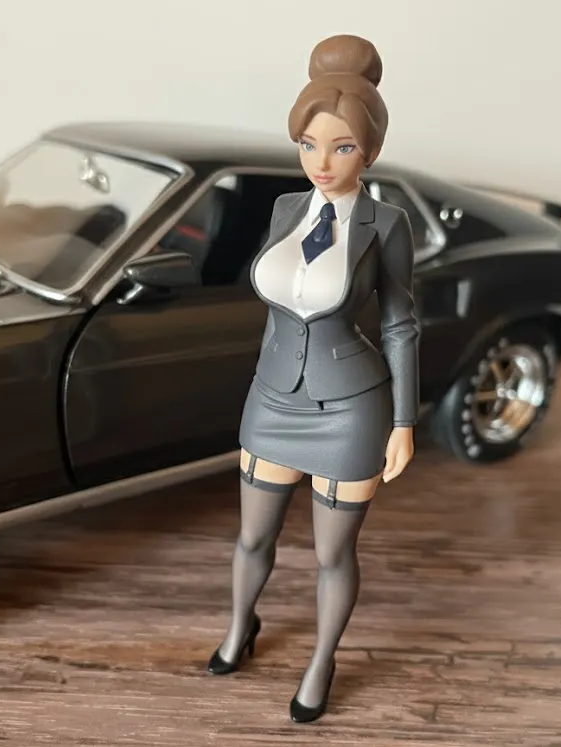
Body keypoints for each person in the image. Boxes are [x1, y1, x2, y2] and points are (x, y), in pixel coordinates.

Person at [206, 33, 420, 723]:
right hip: (271, 398)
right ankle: (240, 625)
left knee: (333, 552)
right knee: (252, 536)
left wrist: (404, 421)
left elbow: (400, 324)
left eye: (342, 147)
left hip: (352, 408)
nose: (322, 163)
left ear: (370, 150)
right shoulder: (283, 210)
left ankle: (321, 660)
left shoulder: (387, 225)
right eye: (308, 145)